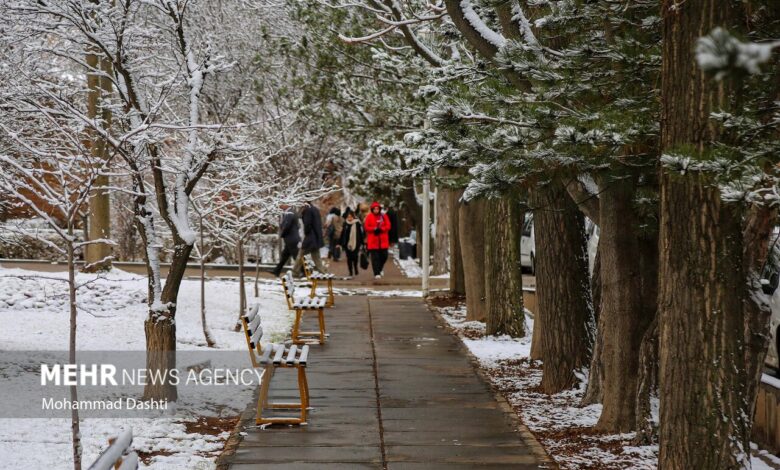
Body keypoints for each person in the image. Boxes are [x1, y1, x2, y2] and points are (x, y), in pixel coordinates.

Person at [292, 201, 326, 276]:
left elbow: (307, 224)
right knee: (316, 256)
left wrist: (306, 233)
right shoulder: (315, 209)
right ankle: (322, 271)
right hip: (316, 237)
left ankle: (295, 272)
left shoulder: (307, 210)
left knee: (301, 255)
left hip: (310, 238)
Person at [271, 203, 300, 277]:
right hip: (290, 238)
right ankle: (277, 270)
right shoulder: (289, 212)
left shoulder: (290, 213)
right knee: (285, 256)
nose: (280, 206)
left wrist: (282, 234)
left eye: (282, 204)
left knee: (296, 256)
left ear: (287, 204)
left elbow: (287, 225)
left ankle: (302, 271)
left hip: (291, 239)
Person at [364, 201, 391, 279]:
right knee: (375, 258)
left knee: (384, 256)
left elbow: (388, 226)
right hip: (373, 241)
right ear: (372, 209)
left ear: (379, 209)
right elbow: (366, 227)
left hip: (383, 241)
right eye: (374, 209)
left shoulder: (384, 216)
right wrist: (374, 229)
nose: (376, 210)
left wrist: (382, 229)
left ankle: (380, 268)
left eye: (377, 209)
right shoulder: (369, 217)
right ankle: (376, 273)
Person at [339, 207, 364, 277]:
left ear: (353, 217)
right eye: (348, 217)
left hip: (356, 243)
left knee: (355, 257)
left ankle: (355, 267)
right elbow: (342, 233)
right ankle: (350, 271)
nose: (349, 218)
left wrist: (363, 243)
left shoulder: (357, 223)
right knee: (349, 258)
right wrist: (339, 243)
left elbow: (361, 234)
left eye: (351, 217)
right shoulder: (345, 223)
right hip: (347, 244)